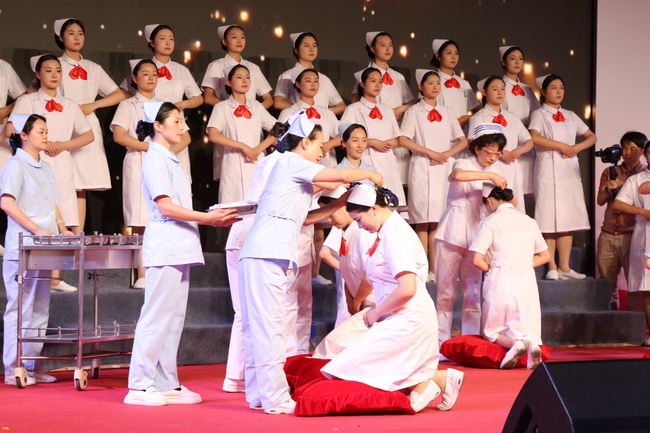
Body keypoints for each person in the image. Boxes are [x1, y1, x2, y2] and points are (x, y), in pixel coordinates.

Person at [238, 113, 382, 415]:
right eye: (319, 146)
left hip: (262, 251)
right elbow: (337, 175)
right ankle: (276, 397)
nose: (322, 152)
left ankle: (259, 394)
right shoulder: (291, 161)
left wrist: (339, 203)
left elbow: (307, 218)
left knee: (258, 327)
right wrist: (370, 174)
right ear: (304, 142)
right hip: (267, 252)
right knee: (270, 326)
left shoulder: (292, 172)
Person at [123, 101, 239, 406]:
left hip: (180, 245)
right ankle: (139, 385)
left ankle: (166, 382)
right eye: (175, 120)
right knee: (156, 315)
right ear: (157, 126)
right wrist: (208, 218)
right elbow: (165, 207)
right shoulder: (155, 159)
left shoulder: (169, 159)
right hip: (166, 245)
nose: (182, 126)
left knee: (174, 318)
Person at [321, 185, 465, 413]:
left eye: (359, 220)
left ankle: (429, 382)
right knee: (346, 364)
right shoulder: (383, 233)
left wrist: (375, 312)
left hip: (409, 318)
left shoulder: (396, 235)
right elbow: (371, 275)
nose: (360, 226)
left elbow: (407, 289)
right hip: (394, 315)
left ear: (373, 209)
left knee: (350, 366)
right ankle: (435, 380)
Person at [6, 54, 94, 293]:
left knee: (60, 213)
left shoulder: (70, 104)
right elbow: (10, 130)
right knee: (36, 212)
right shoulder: (27, 101)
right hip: (34, 160)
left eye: (58, 70)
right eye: (48, 70)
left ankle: (55, 277)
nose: (54, 75)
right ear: (37, 74)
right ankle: (37, 274)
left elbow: (88, 135)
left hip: (61, 161)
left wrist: (62, 144)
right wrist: (34, 145)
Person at [2, 114, 73, 386]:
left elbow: (52, 203)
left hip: (44, 246)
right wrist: (35, 228)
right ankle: (14, 368)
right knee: (20, 307)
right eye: (40, 131)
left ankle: (32, 365)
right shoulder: (15, 165)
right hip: (23, 245)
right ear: (24, 135)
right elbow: (7, 203)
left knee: (40, 307)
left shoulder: (44, 166)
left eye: (46, 131)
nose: (45, 135)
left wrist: (62, 227)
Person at [435, 123, 507, 347]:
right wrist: (490, 176)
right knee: (445, 292)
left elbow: (507, 200)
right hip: (450, 234)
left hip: (477, 237)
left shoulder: (496, 172)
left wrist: (500, 185)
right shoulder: (463, 163)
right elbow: (458, 175)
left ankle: (470, 342)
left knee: (473, 292)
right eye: (489, 152)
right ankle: (441, 342)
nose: (493, 158)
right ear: (477, 148)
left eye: (498, 154)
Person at [53, 17, 126, 231]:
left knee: (80, 184)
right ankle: (59, 233)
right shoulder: (54, 65)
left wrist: (94, 105)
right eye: (71, 33)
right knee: (58, 180)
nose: (77, 37)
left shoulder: (93, 68)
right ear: (60, 37)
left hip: (86, 126)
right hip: (60, 126)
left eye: (80, 33)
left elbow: (118, 93)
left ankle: (77, 235)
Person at [470, 185, 550, 369]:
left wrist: (490, 268)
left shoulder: (490, 222)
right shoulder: (529, 221)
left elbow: (476, 260)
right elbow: (545, 255)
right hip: (525, 278)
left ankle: (516, 345)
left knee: (492, 330)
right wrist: (524, 264)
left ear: (490, 201)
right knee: (524, 326)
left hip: (501, 277)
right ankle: (531, 345)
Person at [399, 69, 467, 282]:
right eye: (430, 83)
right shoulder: (413, 112)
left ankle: (438, 269)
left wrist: (447, 154)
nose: (435, 86)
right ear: (421, 87)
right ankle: (423, 268)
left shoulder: (447, 111)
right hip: (422, 165)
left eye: (438, 83)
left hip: (443, 167)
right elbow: (403, 139)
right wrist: (429, 152)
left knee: (439, 219)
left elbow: (462, 140)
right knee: (422, 219)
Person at [529, 74, 596, 280]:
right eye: (553, 88)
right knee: (547, 216)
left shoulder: (570, 114)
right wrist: (560, 145)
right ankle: (551, 266)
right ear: (543, 91)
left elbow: (591, 136)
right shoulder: (539, 114)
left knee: (568, 217)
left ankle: (565, 267)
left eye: (561, 87)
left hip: (568, 170)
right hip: (548, 169)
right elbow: (534, 137)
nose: (558, 91)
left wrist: (576, 148)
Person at [278, 67, 341, 286]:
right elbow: (282, 139)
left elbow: (341, 135)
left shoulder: (328, 113)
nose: (313, 84)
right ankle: (296, 269)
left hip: (323, 165)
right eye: (308, 81)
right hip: (301, 170)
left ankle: (315, 272)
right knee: (303, 220)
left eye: (316, 81)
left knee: (320, 223)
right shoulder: (290, 112)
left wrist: (324, 146)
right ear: (297, 84)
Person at [120, 24, 199, 178]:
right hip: (151, 128)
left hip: (177, 127)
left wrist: (183, 104)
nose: (168, 42)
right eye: (162, 39)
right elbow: (124, 93)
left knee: (177, 179)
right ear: (152, 42)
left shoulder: (181, 70)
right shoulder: (142, 67)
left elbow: (198, 97)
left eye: (171, 39)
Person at [207, 64, 277, 204]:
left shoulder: (256, 106)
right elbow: (213, 135)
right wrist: (242, 146)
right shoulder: (222, 107)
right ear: (229, 82)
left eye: (247, 77)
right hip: (233, 162)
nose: (244, 81)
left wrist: (258, 149)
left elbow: (279, 129)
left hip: (257, 162)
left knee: (258, 206)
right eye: (239, 77)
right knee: (233, 208)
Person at [341, 67, 406, 206]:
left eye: (380, 82)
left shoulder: (387, 110)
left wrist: (392, 142)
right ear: (362, 84)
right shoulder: (353, 109)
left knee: (392, 203)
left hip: (388, 161)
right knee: (370, 203)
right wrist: (370, 142)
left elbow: (398, 138)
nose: (378, 85)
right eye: (373, 81)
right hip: (367, 159)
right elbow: (346, 137)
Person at [596, 132, 646, 310]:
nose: (627, 152)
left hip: (632, 235)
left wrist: (622, 187)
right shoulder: (611, 171)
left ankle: (634, 322)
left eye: (633, 148)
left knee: (635, 283)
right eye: (624, 148)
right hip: (608, 233)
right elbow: (600, 201)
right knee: (607, 284)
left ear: (642, 151)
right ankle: (612, 318)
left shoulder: (644, 174)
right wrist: (609, 190)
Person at [469, 75, 533, 213]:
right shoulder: (479, 117)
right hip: (490, 168)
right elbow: (472, 142)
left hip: (511, 167)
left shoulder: (512, 117)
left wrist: (519, 151)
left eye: (503, 89)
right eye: (495, 89)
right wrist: (500, 153)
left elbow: (529, 141)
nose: (500, 93)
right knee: (491, 209)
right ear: (484, 92)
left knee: (514, 207)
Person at [612, 141, 650, 344]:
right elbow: (618, 203)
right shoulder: (637, 180)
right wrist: (642, 212)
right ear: (646, 155)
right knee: (648, 287)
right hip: (645, 233)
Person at [499, 45, 541, 196]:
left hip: (524, 144)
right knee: (504, 187)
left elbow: (537, 114)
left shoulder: (527, 90)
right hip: (504, 142)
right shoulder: (498, 86)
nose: (517, 62)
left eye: (520, 59)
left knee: (522, 188)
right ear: (503, 62)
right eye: (512, 58)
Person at [202, 24, 273, 109]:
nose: (239, 41)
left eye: (242, 37)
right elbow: (208, 97)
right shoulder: (216, 65)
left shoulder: (253, 68)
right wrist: (232, 108)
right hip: (226, 114)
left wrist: (255, 111)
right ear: (224, 41)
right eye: (234, 37)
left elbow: (268, 98)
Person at [274, 32, 345, 115]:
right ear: (296, 50)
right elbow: (278, 102)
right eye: (307, 46)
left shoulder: (324, 79)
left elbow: (341, 106)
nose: (312, 49)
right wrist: (302, 110)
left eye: (314, 46)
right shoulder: (287, 76)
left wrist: (321, 113)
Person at [351, 31, 415, 120]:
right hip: (374, 121)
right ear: (373, 49)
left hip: (397, 124)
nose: (388, 49)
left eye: (390, 45)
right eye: (383, 45)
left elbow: (410, 103)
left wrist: (400, 109)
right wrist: (388, 112)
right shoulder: (364, 74)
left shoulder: (399, 77)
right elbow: (355, 103)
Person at [430, 39, 480, 129]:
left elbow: (477, 110)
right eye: (449, 53)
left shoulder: (464, 84)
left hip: (463, 131)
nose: (454, 57)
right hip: (441, 130)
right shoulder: (431, 82)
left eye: (456, 53)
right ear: (438, 56)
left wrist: (468, 118)